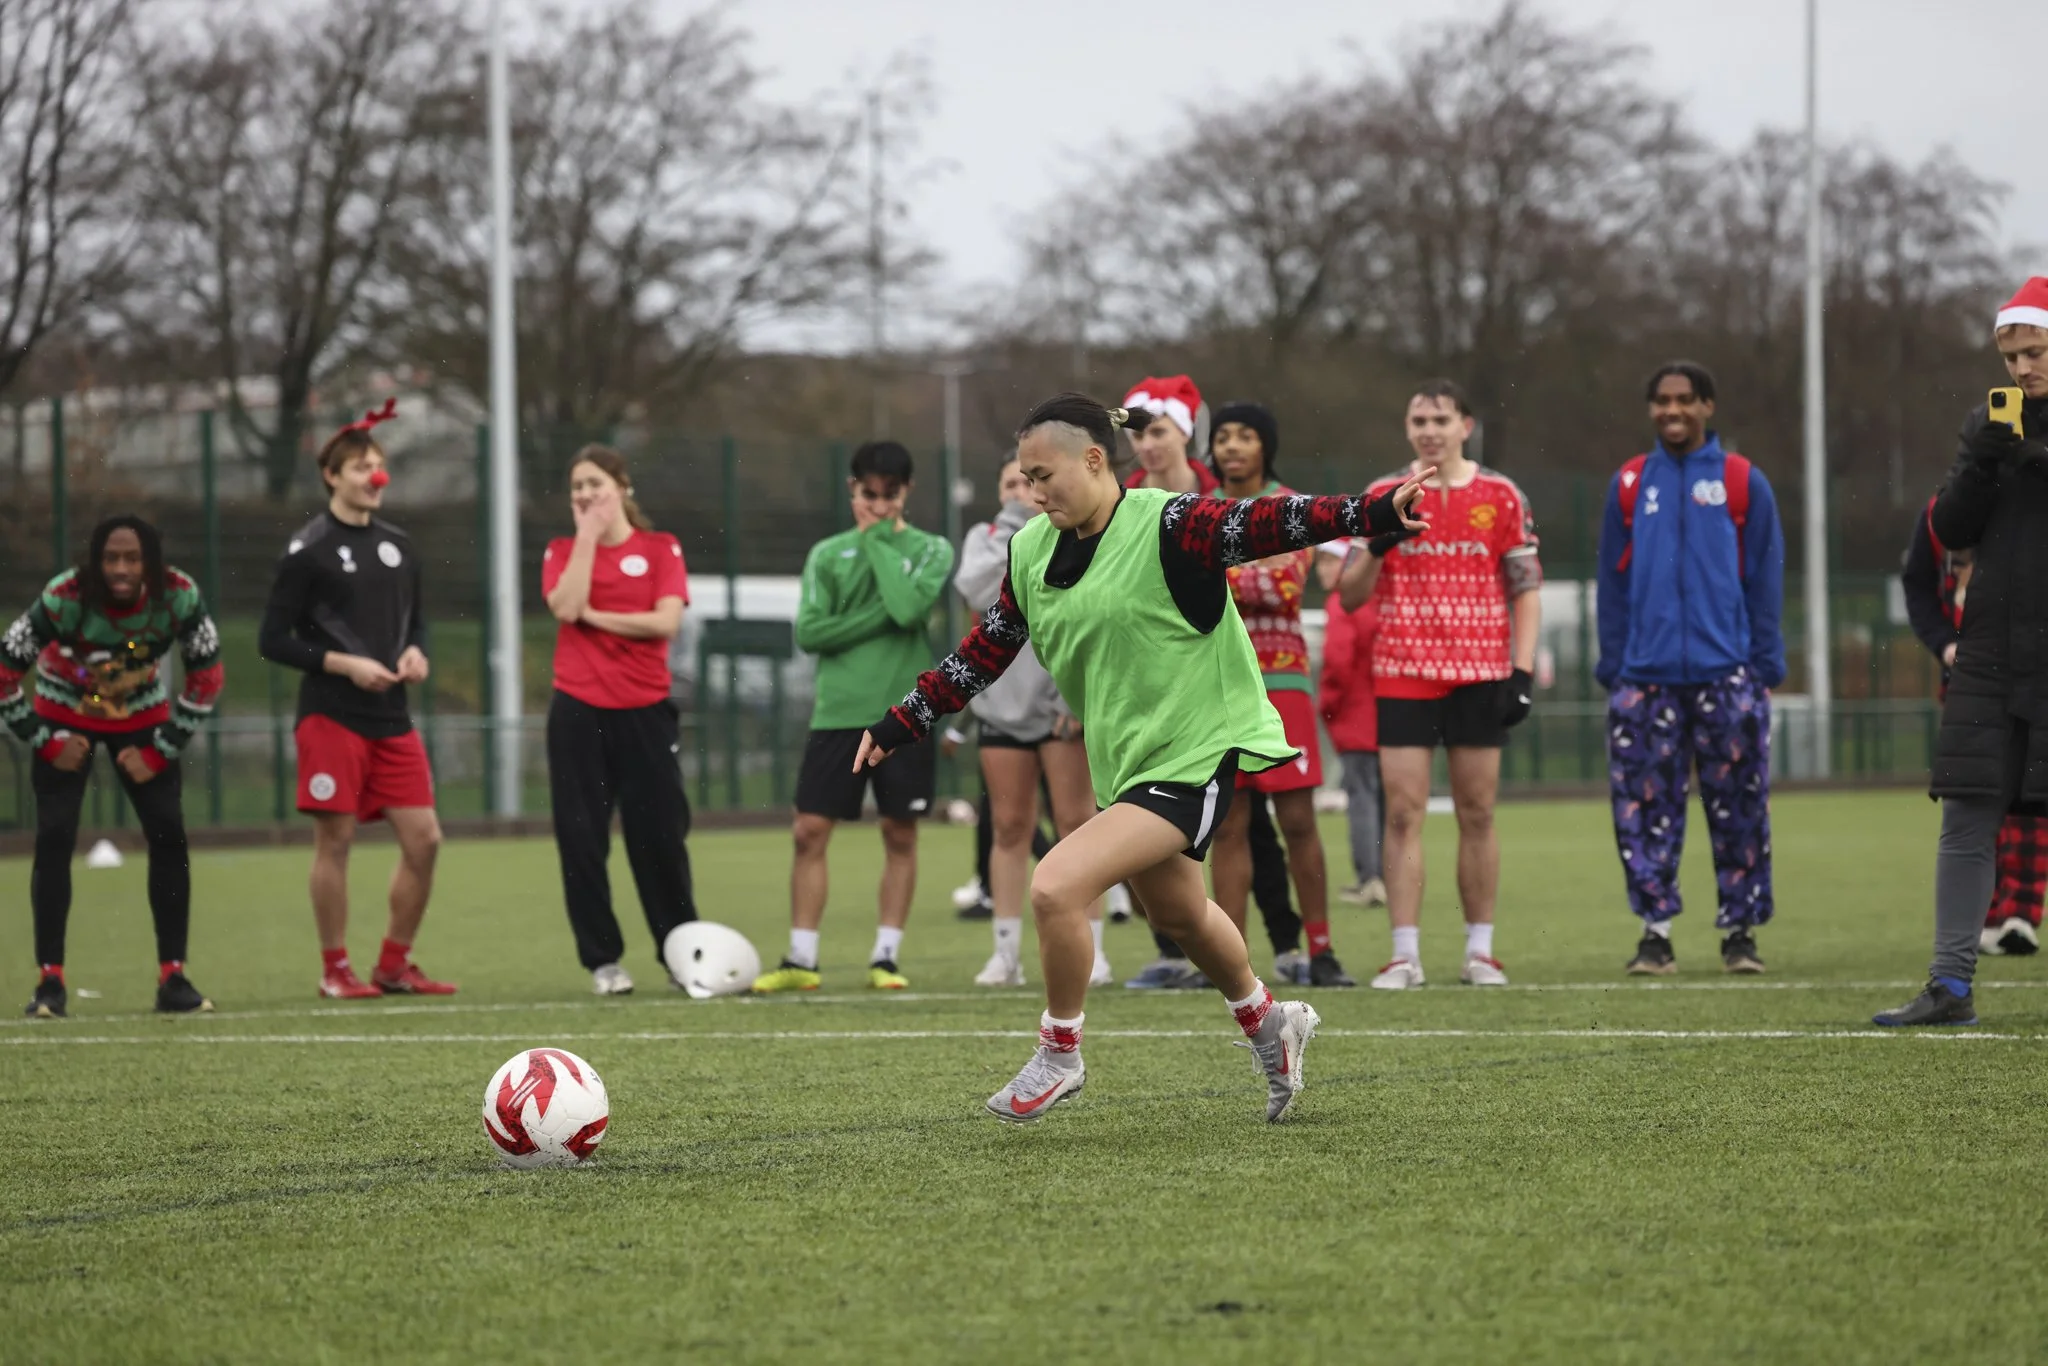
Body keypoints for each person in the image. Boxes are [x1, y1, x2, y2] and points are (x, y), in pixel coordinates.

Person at [859, 392, 1426, 1124]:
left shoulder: (1171, 523)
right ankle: (1270, 1024)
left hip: (1197, 749)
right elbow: (986, 650)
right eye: (1023, 479)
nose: (1033, 492)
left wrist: (1372, 514)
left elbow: (1272, 522)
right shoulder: (1030, 549)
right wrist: (909, 716)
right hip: (1126, 762)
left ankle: (1060, 1051)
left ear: (1094, 459)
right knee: (1183, 914)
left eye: (1043, 475)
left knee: (1055, 885)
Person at [1877, 277, 2048, 1027]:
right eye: (2012, 356)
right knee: (1967, 817)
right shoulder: (1989, 424)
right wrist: (1983, 460)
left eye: (2036, 352)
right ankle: (1950, 986)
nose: (2022, 370)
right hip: (1989, 654)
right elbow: (1948, 528)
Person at [1336, 381, 1542, 989]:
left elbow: (1525, 587)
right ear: (1407, 427)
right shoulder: (1382, 494)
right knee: (1403, 813)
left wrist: (1521, 669)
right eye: (1418, 419)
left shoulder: (1501, 495)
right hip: (1403, 670)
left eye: (1440, 418)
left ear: (1465, 425)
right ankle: (1404, 954)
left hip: (1481, 673)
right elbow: (1348, 594)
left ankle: (1480, 951)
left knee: (1478, 812)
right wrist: (1377, 544)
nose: (1429, 429)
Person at [1592, 362, 1785, 977]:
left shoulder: (1741, 481)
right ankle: (1656, 934)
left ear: (1707, 405)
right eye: (1661, 401)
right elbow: (1611, 585)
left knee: (1741, 807)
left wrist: (1761, 666)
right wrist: (1616, 665)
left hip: (1727, 672)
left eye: (1684, 400)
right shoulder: (1629, 482)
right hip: (1644, 679)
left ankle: (1741, 932)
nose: (1672, 411)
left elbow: (1765, 581)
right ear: (1651, 409)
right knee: (1644, 813)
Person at [259, 400, 455, 1000]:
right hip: (331, 716)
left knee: (425, 840)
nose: (374, 476)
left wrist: (416, 655)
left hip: (392, 718)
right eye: (360, 467)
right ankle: (334, 969)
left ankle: (394, 965)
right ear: (331, 475)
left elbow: (416, 624)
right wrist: (345, 665)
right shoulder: (308, 549)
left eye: (378, 464)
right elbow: (273, 640)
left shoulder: (401, 546)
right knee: (335, 842)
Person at [1113, 375, 1302, 988]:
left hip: (1240, 679)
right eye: (1136, 433)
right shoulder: (1117, 499)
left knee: (1257, 828)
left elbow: (1282, 580)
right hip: (1153, 685)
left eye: (1157, 430)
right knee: (1155, 822)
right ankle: (1175, 950)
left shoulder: (1210, 497)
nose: (1145, 444)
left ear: (1184, 433)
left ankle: (1284, 947)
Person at [753, 441, 955, 993]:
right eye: (869, 494)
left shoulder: (932, 549)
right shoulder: (825, 554)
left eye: (891, 495)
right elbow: (811, 633)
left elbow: (910, 609)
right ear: (852, 489)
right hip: (837, 713)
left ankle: (885, 957)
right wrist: (881, 615)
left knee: (900, 833)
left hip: (905, 713)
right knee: (808, 831)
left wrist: (876, 544)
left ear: (906, 492)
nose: (880, 504)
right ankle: (801, 959)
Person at [2, 515, 222, 1018]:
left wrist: (162, 748)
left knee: (168, 833)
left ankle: (173, 978)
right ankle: (49, 984)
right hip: (63, 714)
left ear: (152, 564)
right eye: (110, 559)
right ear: (94, 564)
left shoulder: (179, 596)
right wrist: (43, 739)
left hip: (142, 715)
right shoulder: (64, 597)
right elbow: (3, 670)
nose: (120, 569)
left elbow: (208, 676)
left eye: (132, 558)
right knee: (55, 837)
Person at [1205, 401, 1356, 988]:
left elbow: (1282, 581)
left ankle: (1321, 950)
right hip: (1219, 683)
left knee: (1298, 823)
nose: (1233, 446)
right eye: (1223, 437)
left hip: (1284, 679)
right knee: (1230, 825)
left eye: (1245, 436)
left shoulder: (1291, 507)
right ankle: (1232, 961)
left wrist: (1220, 571)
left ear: (1265, 446)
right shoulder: (1196, 509)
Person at [541, 445, 697, 995]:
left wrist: (596, 618)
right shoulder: (563, 549)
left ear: (623, 488)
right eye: (577, 487)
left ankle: (681, 953)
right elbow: (564, 606)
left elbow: (665, 622)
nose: (585, 495)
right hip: (578, 712)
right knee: (581, 839)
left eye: (596, 485)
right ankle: (603, 961)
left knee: (659, 836)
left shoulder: (660, 548)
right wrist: (586, 536)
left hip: (646, 714)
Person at [955, 453, 1113, 988]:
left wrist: (1076, 704)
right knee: (1009, 827)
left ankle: (1095, 949)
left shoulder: (1071, 532)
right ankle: (1005, 953)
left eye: (1028, 482)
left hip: (1061, 708)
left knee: (1076, 823)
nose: (1019, 492)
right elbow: (977, 591)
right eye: (1008, 485)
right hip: (1001, 707)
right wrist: (1012, 525)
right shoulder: (985, 535)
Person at [1899, 495, 2046, 958]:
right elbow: (1917, 585)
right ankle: (1978, 919)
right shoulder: (1939, 514)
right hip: (1968, 685)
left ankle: (2020, 912)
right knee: (1971, 806)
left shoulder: (2031, 510)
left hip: (2032, 681)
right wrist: (1945, 646)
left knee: (2029, 800)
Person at [1320, 584, 1385, 908]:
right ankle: (1387, 877)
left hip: (1357, 717)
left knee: (1361, 797)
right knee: (1383, 800)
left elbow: (1338, 658)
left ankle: (1369, 879)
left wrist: (1329, 705)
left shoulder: (1343, 601)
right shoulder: (1381, 598)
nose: (1323, 570)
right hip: (1390, 712)